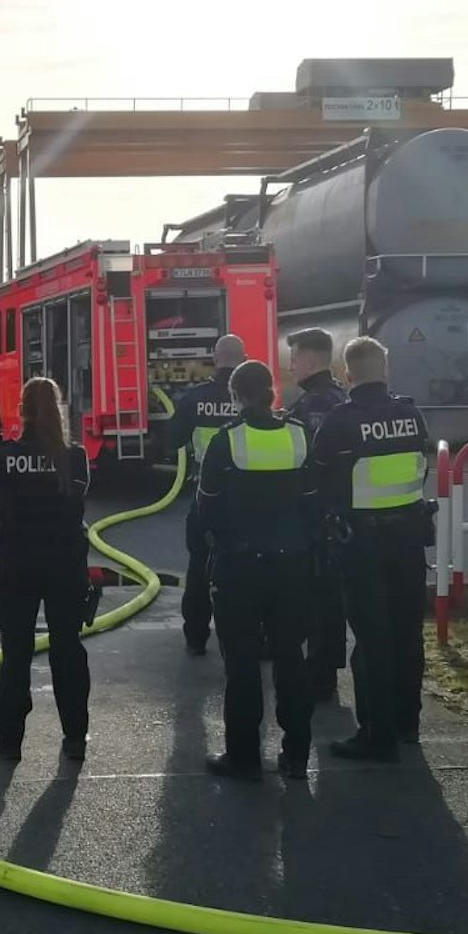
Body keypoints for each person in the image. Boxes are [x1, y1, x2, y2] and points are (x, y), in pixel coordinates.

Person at [313, 337, 431, 762]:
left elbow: (317, 475)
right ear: (386, 368)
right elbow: (423, 464)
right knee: (407, 633)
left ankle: (375, 736)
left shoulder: (340, 421)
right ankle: (407, 725)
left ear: (347, 375)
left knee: (371, 638)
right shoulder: (411, 414)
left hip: (361, 543)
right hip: (409, 540)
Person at [197, 360, 316, 781]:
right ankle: (298, 755)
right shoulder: (301, 435)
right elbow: (313, 500)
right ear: (271, 392)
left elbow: (206, 507)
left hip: (240, 566)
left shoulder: (227, 441)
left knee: (242, 663)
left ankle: (244, 757)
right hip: (292, 564)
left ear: (236, 397)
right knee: (290, 658)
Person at [0, 377, 91, 762]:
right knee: (67, 649)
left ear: (22, 410)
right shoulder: (74, 458)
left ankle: (10, 743)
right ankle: (75, 738)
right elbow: (79, 496)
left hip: (17, 567)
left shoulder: (4, 456)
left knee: (15, 654)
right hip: (64, 566)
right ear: (58, 408)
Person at [163, 334, 245, 656]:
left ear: (214, 358)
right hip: (247, 498)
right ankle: (244, 636)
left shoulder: (194, 398)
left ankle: (196, 636)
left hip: (204, 495)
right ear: (243, 358)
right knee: (246, 566)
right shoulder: (253, 395)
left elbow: (172, 440)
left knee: (199, 564)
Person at [284, 327, 350, 700]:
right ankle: (329, 669)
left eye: (294, 360)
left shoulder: (307, 407)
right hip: (347, 517)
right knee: (334, 600)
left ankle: (320, 675)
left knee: (317, 598)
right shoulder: (343, 398)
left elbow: (300, 466)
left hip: (315, 519)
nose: (291, 367)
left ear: (309, 361)